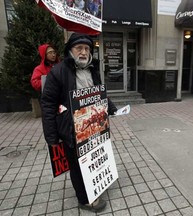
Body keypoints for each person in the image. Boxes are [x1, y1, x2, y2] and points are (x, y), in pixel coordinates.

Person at [41, 33, 117, 212]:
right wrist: (52, 136)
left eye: (87, 48)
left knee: (94, 158)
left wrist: (111, 107)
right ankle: (84, 199)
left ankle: (96, 186)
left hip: (94, 126)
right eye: (79, 48)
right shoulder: (58, 71)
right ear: (70, 51)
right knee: (76, 165)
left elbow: (99, 92)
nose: (83, 52)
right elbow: (48, 103)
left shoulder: (92, 69)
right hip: (72, 129)